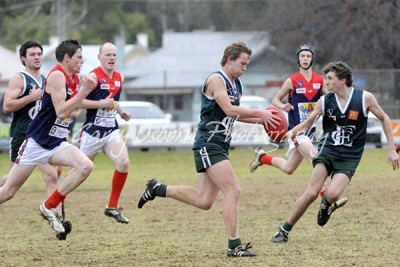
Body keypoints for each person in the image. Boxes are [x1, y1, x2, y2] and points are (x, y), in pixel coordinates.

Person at [137, 41, 281, 257]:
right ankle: (234, 246)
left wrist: (259, 122)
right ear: (230, 60)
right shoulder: (217, 80)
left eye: (247, 64)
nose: (245, 68)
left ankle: (158, 188)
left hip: (220, 144)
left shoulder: (236, 84)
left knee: (204, 201)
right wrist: (260, 113)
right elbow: (228, 109)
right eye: (242, 63)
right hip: (209, 143)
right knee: (234, 190)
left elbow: (236, 115)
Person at [271, 61, 399, 243]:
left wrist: (392, 149)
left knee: (332, 195)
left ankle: (326, 205)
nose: (326, 82)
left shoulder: (364, 98)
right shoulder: (324, 101)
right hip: (328, 151)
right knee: (311, 192)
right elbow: (307, 124)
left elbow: (385, 118)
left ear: (343, 80)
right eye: (326, 79)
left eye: (330, 79)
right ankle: (284, 230)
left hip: (350, 156)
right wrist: (290, 132)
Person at [0, 39, 97, 235]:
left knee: (86, 166)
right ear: (67, 58)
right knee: (8, 192)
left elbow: (77, 102)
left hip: (56, 143)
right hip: (36, 143)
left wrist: (103, 103)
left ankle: (49, 207)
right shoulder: (56, 76)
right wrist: (84, 91)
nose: (82, 62)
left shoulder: (73, 78)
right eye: (79, 58)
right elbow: (61, 111)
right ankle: (53, 213)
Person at [250, 44, 327, 175]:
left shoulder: (319, 80)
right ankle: (326, 194)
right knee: (316, 160)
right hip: (296, 131)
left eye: (308, 56)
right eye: (302, 56)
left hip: (310, 130)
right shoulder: (292, 81)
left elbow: (328, 99)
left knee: (288, 168)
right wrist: (282, 106)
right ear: (298, 59)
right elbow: (276, 99)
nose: (305, 58)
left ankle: (262, 157)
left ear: (312, 59)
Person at [1, 40, 59, 207]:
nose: (37, 57)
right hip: (22, 135)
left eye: (39, 54)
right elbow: (7, 106)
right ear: (23, 58)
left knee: (51, 176)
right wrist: (30, 98)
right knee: (10, 184)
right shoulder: (19, 79)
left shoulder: (44, 79)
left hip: (39, 137)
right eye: (32, 55)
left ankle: (54, 215)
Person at [78, 42, 131, 224]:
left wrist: (121, 111)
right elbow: (78, 102)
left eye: (114, 55)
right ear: (99, 57)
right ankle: (54, 202)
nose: (111, 58)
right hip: (92, 133)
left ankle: (112, 207)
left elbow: (112, 101)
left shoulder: (119, 77)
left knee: (123, 162)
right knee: (79, 172)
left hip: (111, 131)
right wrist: (102, 104)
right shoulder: (92, 77)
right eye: (107, 55)